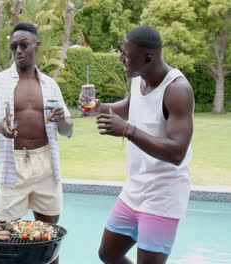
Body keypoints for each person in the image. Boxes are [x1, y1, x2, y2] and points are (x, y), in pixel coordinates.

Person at [80, 25, 194, 263]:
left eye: (127, 55)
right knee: (108, 254)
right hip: (135, 189)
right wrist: (98, 108)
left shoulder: (177, 90)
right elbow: (132, 105)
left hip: (164, 194)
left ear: (148, 59)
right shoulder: (138, 77)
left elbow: (177, 153)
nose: (121, 58)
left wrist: (128, 130)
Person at [0, 22, 73, 264]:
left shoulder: (50, 84)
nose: (18, 50)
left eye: (24, 45)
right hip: (12, 165)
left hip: (46, 163)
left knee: (49, 236)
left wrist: (63, 121)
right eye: (14, 46)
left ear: (36, 46)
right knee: (4, 236)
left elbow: (67, 130)